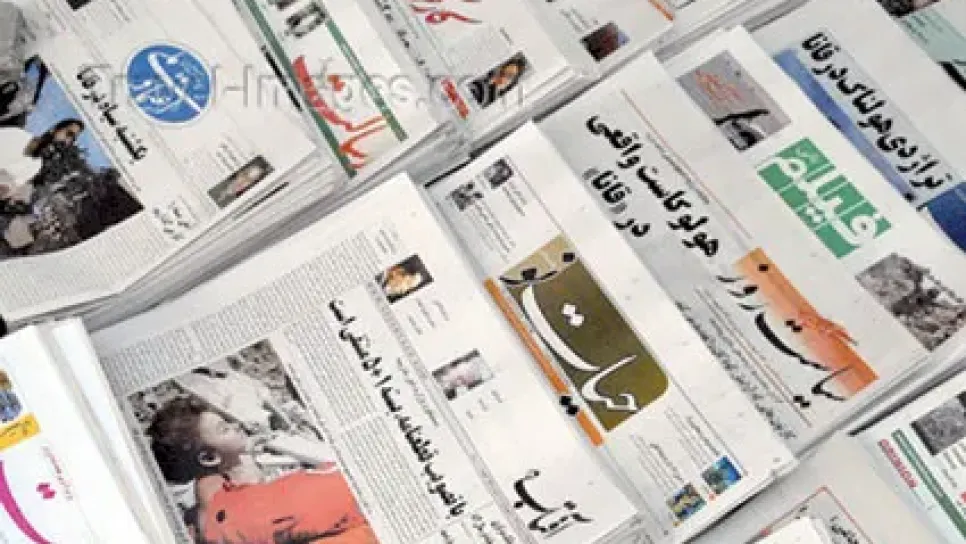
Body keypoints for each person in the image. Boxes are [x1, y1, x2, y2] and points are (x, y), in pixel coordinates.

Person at [148, 397, 378, 544]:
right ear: (209, 458)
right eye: (224, 428)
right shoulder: (251, 512)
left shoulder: (211, 492)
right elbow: (342, 498)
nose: (237, 425)